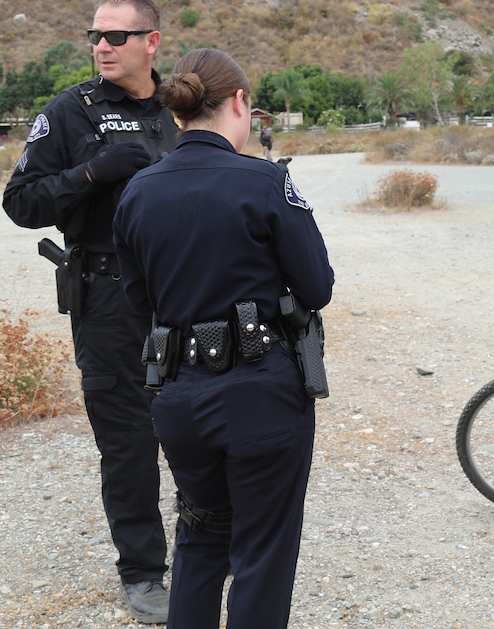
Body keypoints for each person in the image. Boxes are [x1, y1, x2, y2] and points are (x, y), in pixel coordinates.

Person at [112, 47, 334, 627]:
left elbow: (141, 301)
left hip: (180, 395)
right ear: (240, 102)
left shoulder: (137, 190)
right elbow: (317, 285)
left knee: (200, 535)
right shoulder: (265, 182)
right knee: (262, 550)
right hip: (261, 395)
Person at [2, 0, 176, 623]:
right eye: (95, 35)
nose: (101, 46)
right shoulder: (69, 112)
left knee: (199, 421)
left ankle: (210, 547)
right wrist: (93, 173)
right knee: (129, 437)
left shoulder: (185, 106)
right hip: (108, 297)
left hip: (185, 290)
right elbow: (20, 202)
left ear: (150, 42)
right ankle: (143, 572)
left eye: (116, 36)